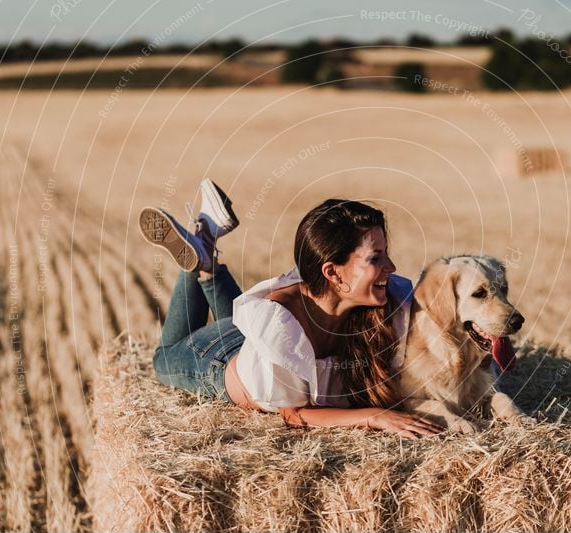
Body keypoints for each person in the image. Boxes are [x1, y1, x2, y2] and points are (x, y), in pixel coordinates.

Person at [138, 179, 443, 439]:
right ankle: (200, 251)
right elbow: (295, 414)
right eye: (376, 258)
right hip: (217, 362)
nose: (391, 267)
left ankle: (204, 249)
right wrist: (375, 416)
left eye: (385, 254)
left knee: (247, 325)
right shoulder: (281, 320)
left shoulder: (383, 301)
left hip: (261, 347)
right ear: (332, 273)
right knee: (164, 357)